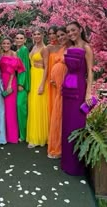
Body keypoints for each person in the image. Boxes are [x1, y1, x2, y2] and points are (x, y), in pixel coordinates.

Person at [61, 21, 93, 176]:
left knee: (76, 123)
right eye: (68, 31)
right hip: (67, 88)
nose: (70, 33)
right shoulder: (69, 48)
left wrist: (88, 93)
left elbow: (91, 73)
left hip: (79, 88)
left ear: (80, 29)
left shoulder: (86, 47)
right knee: (67, 124)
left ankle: (76, 165)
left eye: (73, 30)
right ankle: (66, 162)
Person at [47, 27, 72, 159]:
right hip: (57, 86)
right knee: (57, 114)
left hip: (66, 86)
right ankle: (57, 145)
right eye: (59, 35)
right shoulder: (62, 49)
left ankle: (61, 147)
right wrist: (53, 78)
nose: (61, 37)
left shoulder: (73, 48)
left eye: (63, 34)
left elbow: (74, 69)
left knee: (61, 114)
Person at [0, 37, 25, 143]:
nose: (6, 45)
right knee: (2, 109)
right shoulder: (0, 54)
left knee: (10, 109)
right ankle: (3, 134)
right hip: (1, 80)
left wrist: (9, 85)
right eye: (4, 43)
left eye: (8, 43)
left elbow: (14, 71)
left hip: (10, 82)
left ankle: (12, 136)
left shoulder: (14, 54)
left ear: (11, 44)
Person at [26, 28, 49, 148]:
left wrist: (42, 84)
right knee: (33, 106)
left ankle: (39, 137)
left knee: (38, 106)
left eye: (39, 33)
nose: (36, 35)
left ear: (43, 34)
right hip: (33, 76)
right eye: (34, 34)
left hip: (40, 77)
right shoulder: (33, 48)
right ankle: (33, 135)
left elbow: (46, 67)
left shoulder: (44, 49)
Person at [15, 30, 31, 141]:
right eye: (17, 38)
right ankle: (21, 133)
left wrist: (21, 83)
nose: (19, 40)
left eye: (21, 38)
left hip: (22, 83)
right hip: (16, 80)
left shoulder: (24, 50)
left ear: (25, 40)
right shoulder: (18, 50)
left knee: (21, 107)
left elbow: (24, 67)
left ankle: (24, 134)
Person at [47, 26, 61, 122]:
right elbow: (45, 65)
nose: (52, 36)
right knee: (50, 101)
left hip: (61, 78)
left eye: (53, 33)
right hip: (50, 79)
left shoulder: (64, 47)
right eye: (50, 33)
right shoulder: (48, 48)